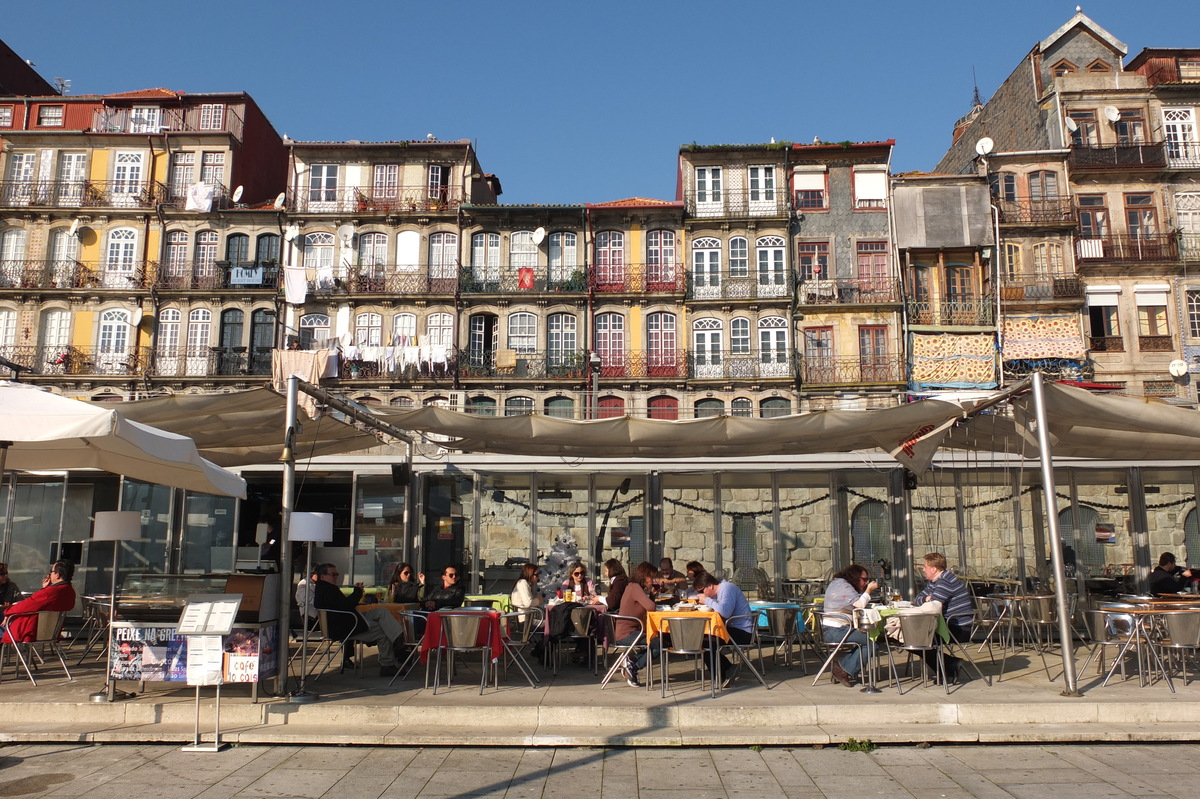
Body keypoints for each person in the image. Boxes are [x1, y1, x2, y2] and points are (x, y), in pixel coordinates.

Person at [310, 563, 404, 677]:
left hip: (349, 620)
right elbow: (346, 605)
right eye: (333, 574)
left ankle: (399, 637)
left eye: (337, 574)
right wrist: (358, 591)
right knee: (383, 632)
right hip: (346, 627)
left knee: (381, 611)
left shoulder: (326, 588)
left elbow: (343, 606)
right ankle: (388, 665)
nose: (336, 577)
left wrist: (357, 592)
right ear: (322, 576)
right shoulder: (327, 590)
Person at [915, 552, 975, 684]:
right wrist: (926, 598)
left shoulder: (946, 581)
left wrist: (928, 599)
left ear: (934, 569)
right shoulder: (934, 582)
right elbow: (917, 599)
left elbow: (934, 605)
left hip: (959, 628)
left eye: (925, 566)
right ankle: (949, 665)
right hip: (946, 625)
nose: (923, 569)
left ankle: (948, 667)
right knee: (912, 639)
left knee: (917, 639)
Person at [693, 571, 754, 688]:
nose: (701, 594)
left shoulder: (727, 588)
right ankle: (726, 671)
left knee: (706, 642)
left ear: (710, 586)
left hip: (743, 632)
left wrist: (707, 601)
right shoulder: (722, 590)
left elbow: (725, 611)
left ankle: (724, 673)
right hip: (733, 628)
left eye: (702, 591)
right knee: (704, 640)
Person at [821, 564, 877, 687]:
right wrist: (869, 590)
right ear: (855, 577)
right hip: (835, 631)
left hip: (836, 629)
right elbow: (859, 604)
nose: (866, 583)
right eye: (864, 579)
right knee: (870, 643)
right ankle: (842, 670)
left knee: (867, 642)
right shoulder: (843, 586)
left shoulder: (839, 584)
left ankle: (841, 668)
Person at [1, 559, 76, 644]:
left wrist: (7, 612)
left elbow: (27, 605)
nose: (49, 574)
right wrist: (45, 589)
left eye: (51, 571)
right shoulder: (69, 591)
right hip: (50, 631)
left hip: (30, 631)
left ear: (57, 575)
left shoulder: (50, 592)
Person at [615, 561, 658, 687]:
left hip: (632, 632)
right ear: (645, 576)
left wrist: (651, 595)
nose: (653, 580)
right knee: (659, 643)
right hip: (626, 635)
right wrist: (651, 595)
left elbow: (648, 606)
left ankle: (631, 664)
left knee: (658, 642)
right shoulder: (635, 588)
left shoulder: (633, 587)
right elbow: (651, 607)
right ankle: (633, 666)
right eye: (652, 577)